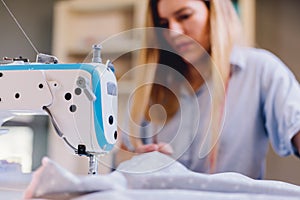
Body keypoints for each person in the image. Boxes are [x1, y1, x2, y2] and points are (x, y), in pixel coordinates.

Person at [117, 0, 300, 179]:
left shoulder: (260, 70)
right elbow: (121, 156)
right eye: (163, 24)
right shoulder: (150, 88)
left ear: (215, 12)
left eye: (184, 16)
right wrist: (140, 161)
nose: (173, 32)